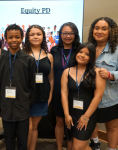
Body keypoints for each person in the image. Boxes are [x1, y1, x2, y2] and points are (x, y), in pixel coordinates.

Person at [0, 24, 36, 150]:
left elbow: (32, 84)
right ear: (5, 38)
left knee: (23, 140)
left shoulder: (28, 60)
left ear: (22, 38)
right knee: (9, 140)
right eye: (10, 37)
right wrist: (1, 102)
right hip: (6, 107)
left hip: (22, 106)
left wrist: (29, 102)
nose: (14, 40)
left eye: (17, 37)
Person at [61, 42, 105, 150]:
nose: (82, 55)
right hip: (71, 114)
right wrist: (66, 115)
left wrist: (86, 117)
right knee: (70, 146)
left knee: (78, 147)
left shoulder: (97, 72)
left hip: (87, 115)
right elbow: (64, 93)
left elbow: (98, 97)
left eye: (87, 54)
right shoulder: (67, 71)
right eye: (80, 52)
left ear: (92, 57)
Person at [88, 17, 118, 150]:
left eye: (104, 29)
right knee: (90, 121)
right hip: (88, 96)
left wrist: (111, 75)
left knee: (112, 127)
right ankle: (95, 145)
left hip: (110, 99)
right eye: (96, 28)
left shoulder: (116, 51)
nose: (99, 31)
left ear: (110, 32)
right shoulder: (87, 48)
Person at [50, 22, 81, 150]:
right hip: (58, 91)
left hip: (75, 91)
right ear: (60, 34)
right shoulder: (54, 50)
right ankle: (59, 147)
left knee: (73, 122)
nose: (68, 36)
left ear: (75, 34)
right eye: (65, 33)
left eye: (71, 33)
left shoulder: (80, 50)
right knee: (60, 121)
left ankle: (70, 148)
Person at [23, 25, 54, 150]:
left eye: (38, 34)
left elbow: (51, 78)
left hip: (42, 96)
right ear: (28, 37)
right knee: (27, 127)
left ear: (43, 36)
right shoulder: (22, 54)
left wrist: (50, 97)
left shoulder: (49, 56)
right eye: (32, 34)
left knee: (34, 127)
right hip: (25, 97)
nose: (35, 37)